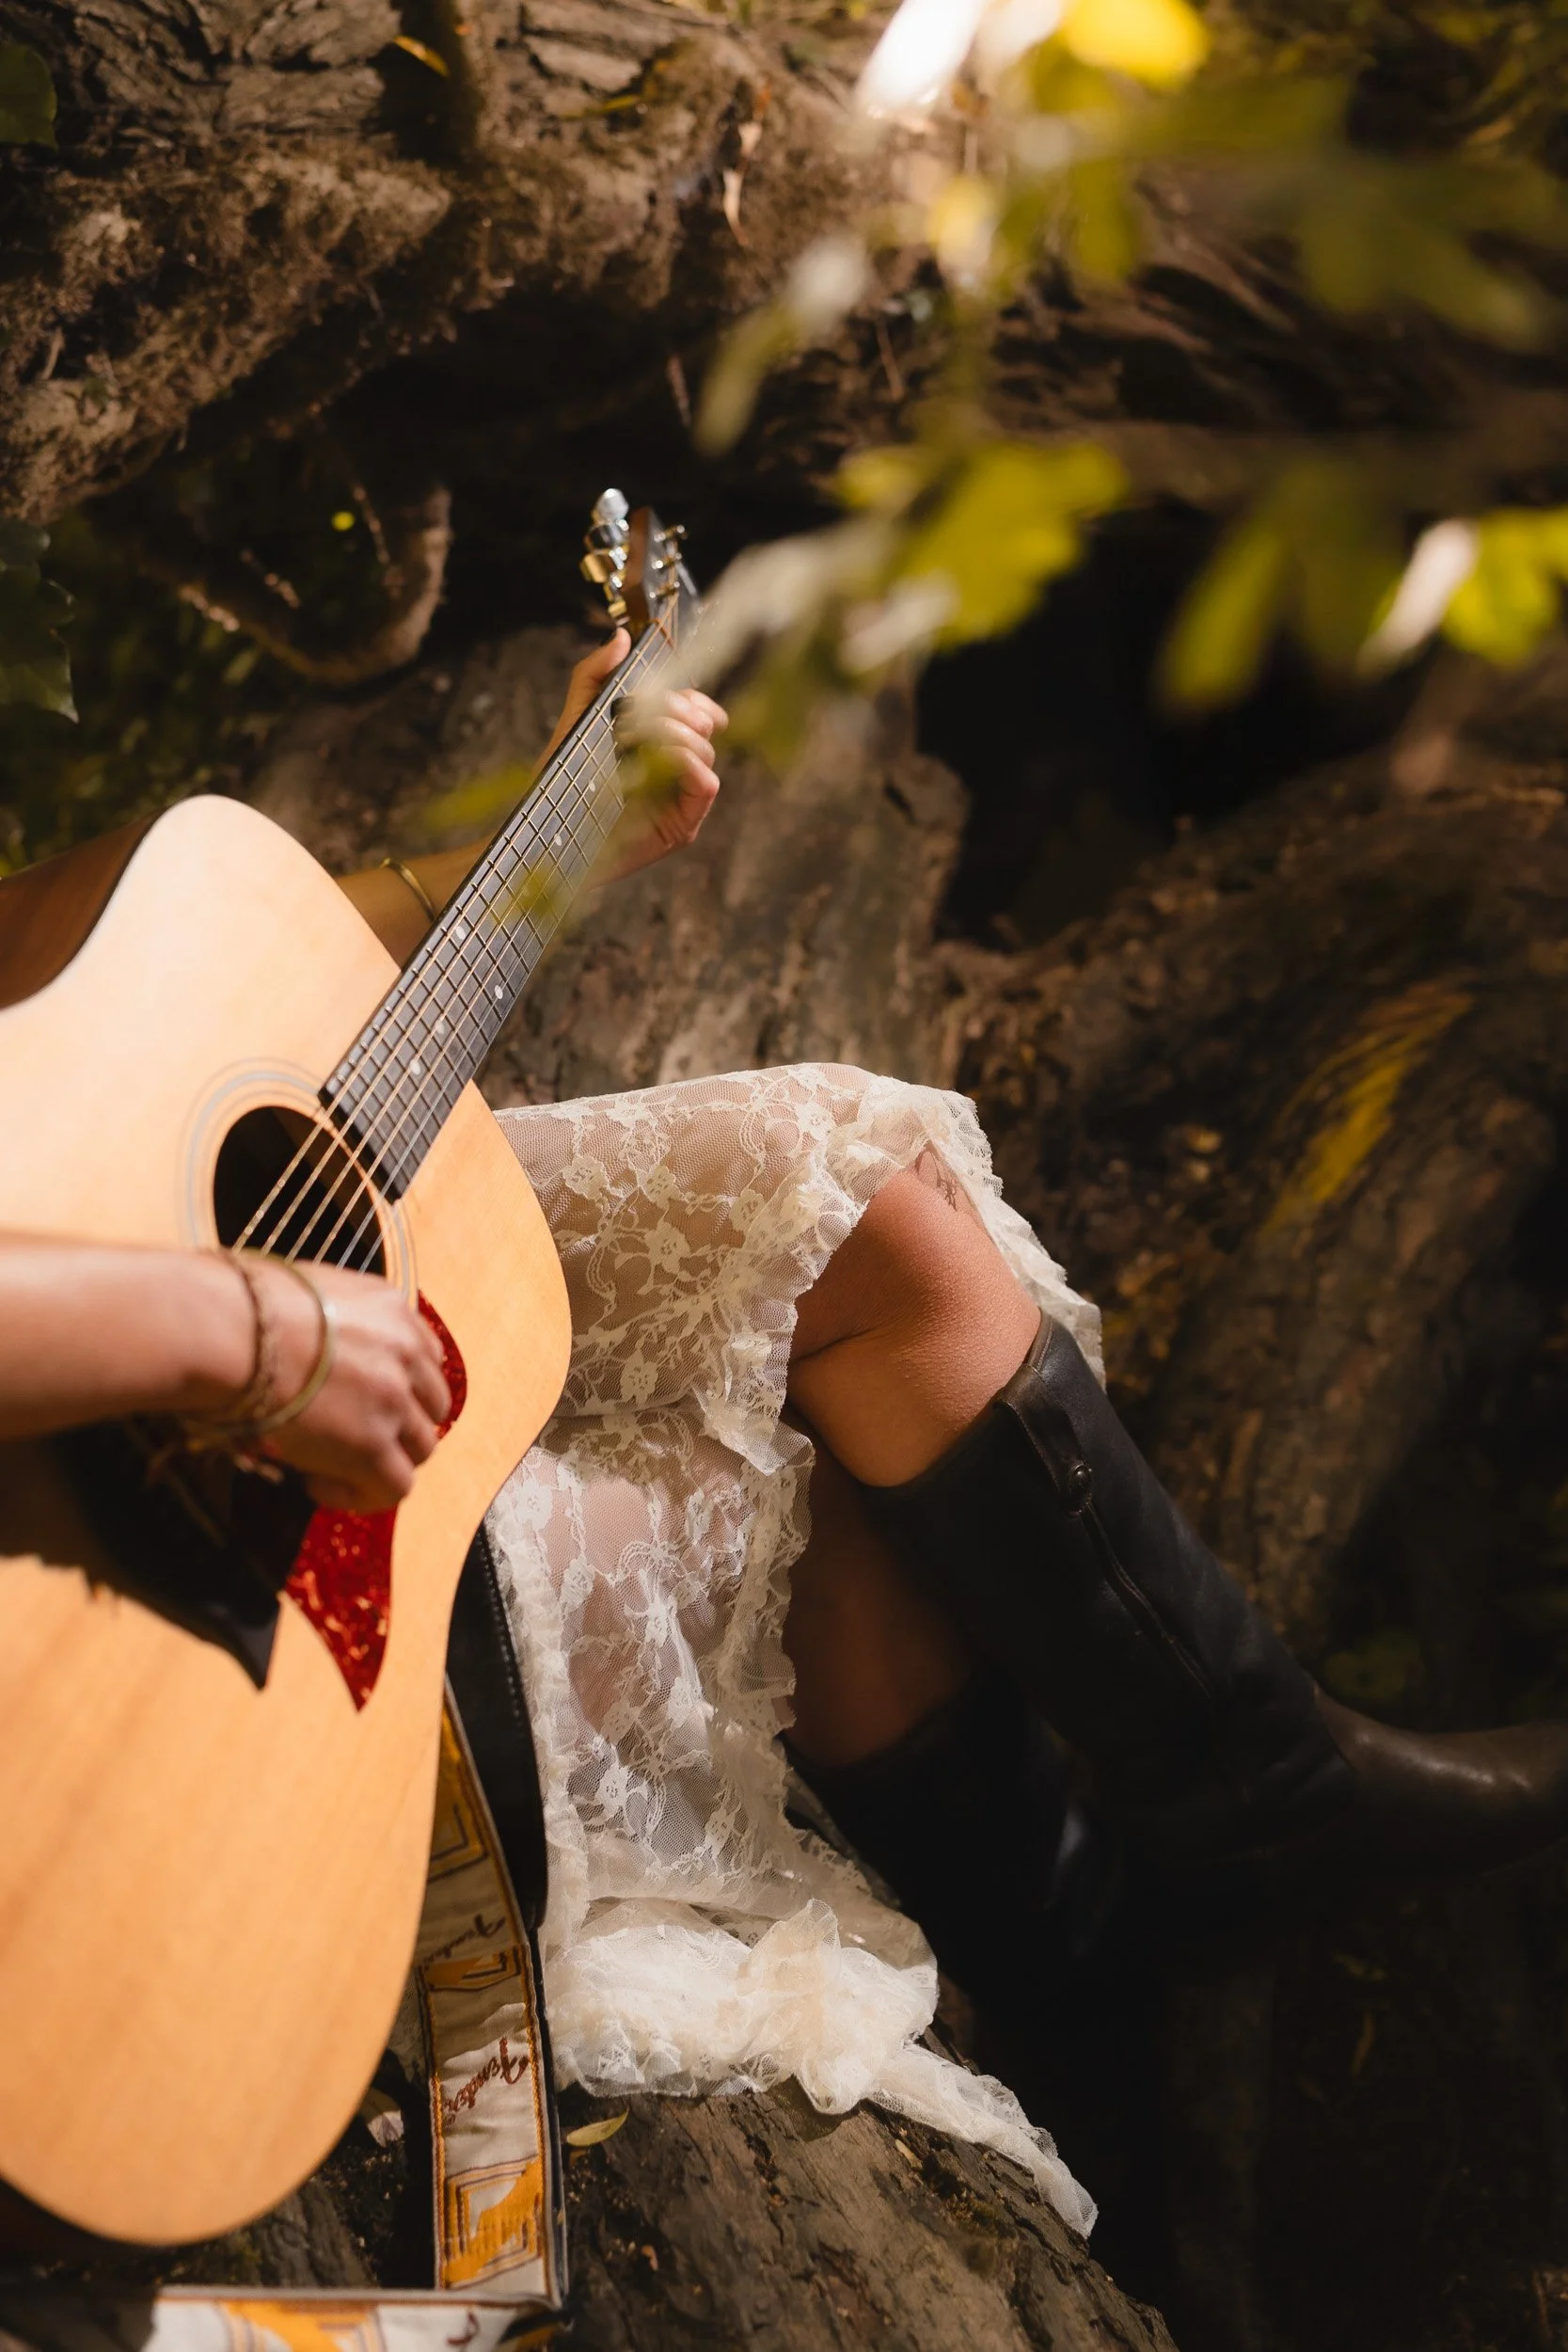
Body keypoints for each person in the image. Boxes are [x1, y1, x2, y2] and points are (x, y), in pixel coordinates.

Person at [6, 627, 1568, 2222]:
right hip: (106, 1540)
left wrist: (536, 856)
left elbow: (159, 991)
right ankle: (1106, 1972)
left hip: (85, 1238)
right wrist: (257, 1329)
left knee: (839, 1202)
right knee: (778, 1463)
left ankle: (1248, 1788)